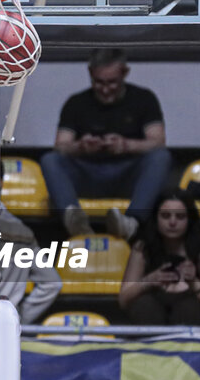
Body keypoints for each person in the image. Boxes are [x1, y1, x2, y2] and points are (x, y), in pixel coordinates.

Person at [39, 48, 171, 238]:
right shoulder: (76, 103)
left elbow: (158, 142)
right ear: (91, 74)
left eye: (112, 83)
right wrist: (81, 147)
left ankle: (131, 222)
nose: (105, 89)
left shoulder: (144, 99)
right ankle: (74, 220)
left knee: (161, 158)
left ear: (124, 73)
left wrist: (125, 145)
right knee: (50, 160)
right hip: (88, 174)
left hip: (128, 175)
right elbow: (60, 146)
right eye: (99, 82)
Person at [0, 160, 62, 324]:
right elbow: (52, 283)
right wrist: (16, 318)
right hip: (1, 326)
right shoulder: (22, 231)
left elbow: (52, 283)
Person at [117, 191, 200, 325]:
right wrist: (148, 281)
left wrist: (194, 282)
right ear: (156, 218)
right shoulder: (142, 248)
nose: (172, 222)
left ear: (189, 220)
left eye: (180, 217)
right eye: (166, 216)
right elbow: (123, 300)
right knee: (145, 306)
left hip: (191, 330)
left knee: (189, 308)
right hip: (150, 322)